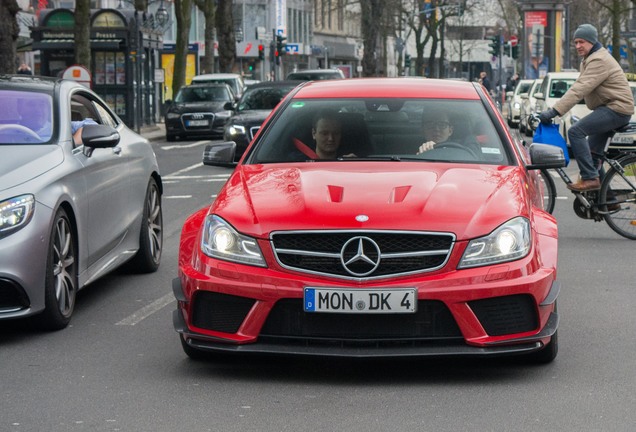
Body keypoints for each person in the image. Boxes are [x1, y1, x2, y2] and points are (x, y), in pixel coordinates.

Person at [539, 24, 634, 192]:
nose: (577, 46)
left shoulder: (599, 60)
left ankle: (590, 179)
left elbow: (580, 89)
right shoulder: (590, 59)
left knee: (575, 132)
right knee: (592, 154)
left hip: (616, 109)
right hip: (608, 108)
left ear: (591, 41)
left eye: (581, 42)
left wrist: (554, 111)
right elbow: (580, 87)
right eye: (575, 43)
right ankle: (609, 200)